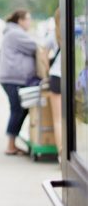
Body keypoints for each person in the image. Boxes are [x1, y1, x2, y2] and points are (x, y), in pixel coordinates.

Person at [0, 9, 37, 156]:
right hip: (13, 78)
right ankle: (10, 145)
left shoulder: (12, 32)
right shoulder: (15, 33)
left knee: (20, 109)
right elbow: (35, 46)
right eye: (28, 19)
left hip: (12, 77)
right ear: (20, 20)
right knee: (18, 109)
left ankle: (12, 142)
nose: (29, 22)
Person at [47, 8, 62, 160]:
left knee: (58, 119)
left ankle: (61, 154)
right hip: (74, 79)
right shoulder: (77, 33)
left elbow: (43, 54)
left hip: (56, 76)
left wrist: (46, 71)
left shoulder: (53, 35)